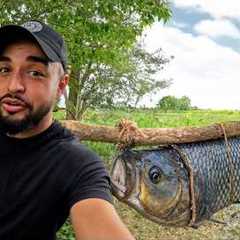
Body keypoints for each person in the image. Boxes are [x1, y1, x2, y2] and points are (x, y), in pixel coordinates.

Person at [0, 20, 135, 240]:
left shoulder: (76, 164)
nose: (14, 85)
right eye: (4, 69)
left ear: (61, 86)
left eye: (35, 73)